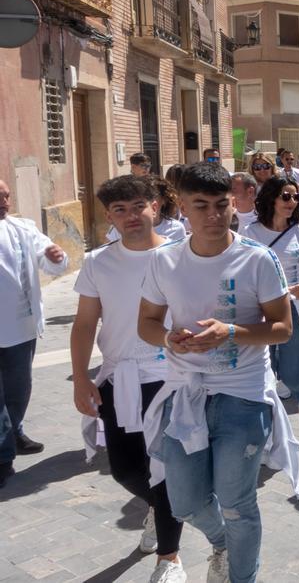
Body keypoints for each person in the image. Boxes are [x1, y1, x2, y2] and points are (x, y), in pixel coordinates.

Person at [137, 162, 298, 583]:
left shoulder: (258, 259)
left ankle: (241, 574)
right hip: (184, 394)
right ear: (182, 209)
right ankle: (223, 542)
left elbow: (282, 329)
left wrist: (231, 332)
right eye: (201, 206)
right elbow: (147, 323)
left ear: (232, 206)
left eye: (222, 205)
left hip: (243, 395)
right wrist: (171, 340)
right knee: (184, 502)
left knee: (237, 502)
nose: (214, 215)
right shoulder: (164, 261)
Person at [70, 176, 186, 582]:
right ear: (109, 216)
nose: (131, 216)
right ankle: (158, 507)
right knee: (125, 469)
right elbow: (85, 324)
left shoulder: (182, 254)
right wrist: (81, 380)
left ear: (155, 206)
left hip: (172, 376)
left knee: (166, 469)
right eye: (120, 209)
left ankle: (169, 559)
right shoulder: (98, 262)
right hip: (120, 377)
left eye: (138, 206)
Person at [242, 177, 299, 442]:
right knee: (264, 373)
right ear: (271, 198)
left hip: (292, 309)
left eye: (295, 197)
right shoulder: (250, 234)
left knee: (292, 372)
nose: (292, 202)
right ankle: (269, 433)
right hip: (258, 311)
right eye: (286, 196)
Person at [0, 180, 68, 486]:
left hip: (21, 326)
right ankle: (3, 457)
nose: (4, 200)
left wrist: (56, 257)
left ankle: (14, 433)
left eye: (6, 195)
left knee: (19, 388)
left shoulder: (23, 227)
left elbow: (49, 258)